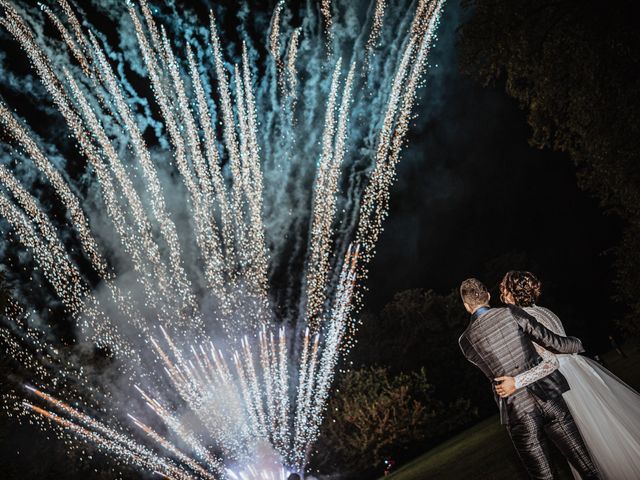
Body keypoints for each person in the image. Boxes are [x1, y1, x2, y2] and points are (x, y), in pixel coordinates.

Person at [495, 271, 640, 480]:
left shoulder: (527, 319)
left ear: (513, 293)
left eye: (504, 289)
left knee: (590, 444)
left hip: (564, 380)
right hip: (581, 370)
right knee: (609, 430)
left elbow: (550, 363)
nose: (502, 294)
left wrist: (516, 381)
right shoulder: (545, 311)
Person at [458, 278, 600, 479]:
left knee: (545, 477)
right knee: (588, 468)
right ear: (488, 296)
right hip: (549, 396)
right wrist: (577, 343)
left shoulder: (465, 342)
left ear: (466, 306)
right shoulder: (511, 312)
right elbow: (554, 343)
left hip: (518, 409)